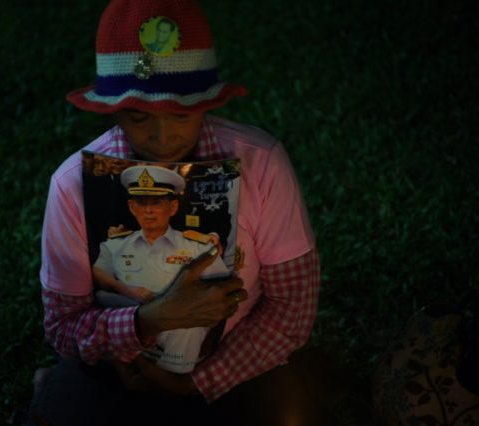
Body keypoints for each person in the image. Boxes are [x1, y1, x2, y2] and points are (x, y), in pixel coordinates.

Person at [32, 0, 320, 425]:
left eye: (181, 112)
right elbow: (62, 325)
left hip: (237, 360)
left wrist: (199, 382)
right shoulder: (73, 185)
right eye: (138, 115)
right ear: (113, 109)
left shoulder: (261, 163)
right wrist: (150, 320)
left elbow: (293, 305)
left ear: (207, 101)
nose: (163, 135)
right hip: (117, 367)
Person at [92, 165, 229, 374]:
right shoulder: (115, 246)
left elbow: (222, 288)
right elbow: (99, 276)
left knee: (187, 325)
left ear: (172, 207)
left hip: (182, 328)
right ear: (131, 207)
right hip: (135, 323)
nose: (148, 210)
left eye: (156, 202)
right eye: (141, 203)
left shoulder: (197, 246)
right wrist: (126, 290)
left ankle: (169, 382)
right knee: (104, 299)